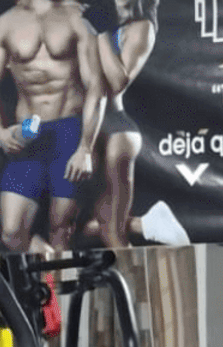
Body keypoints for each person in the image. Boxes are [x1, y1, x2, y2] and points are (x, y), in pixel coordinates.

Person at [0, 0, 108, 253]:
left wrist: (85, 147)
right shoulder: (5, 23)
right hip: (29, 134)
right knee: (11, 233)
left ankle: (60, 277)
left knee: (62, 229)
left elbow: (96, 86)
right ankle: (51, 267)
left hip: (69, 131)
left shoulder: (74, 19)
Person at [81, 0, 156, 251]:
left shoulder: (140, 27)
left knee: (113, 234)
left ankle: (141, 230)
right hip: (79, 131)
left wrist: (101, 31)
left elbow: (116, 83)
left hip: (114, 130)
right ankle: (145, 224)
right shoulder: (86, 14)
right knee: (84, 228)